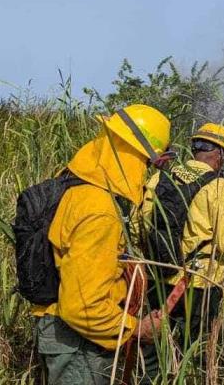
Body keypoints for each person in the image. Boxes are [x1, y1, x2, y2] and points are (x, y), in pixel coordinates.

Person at [32, 104, 170, 385]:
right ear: (140, 158)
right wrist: (135, 329)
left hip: (67, 334)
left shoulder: (78, 187)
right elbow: (83, 306)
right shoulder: (100, 209)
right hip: (79, 341)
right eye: (154, 164)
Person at [136, 123, 224, 380]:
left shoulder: (159, 178)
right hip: (200, 286)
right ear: (220, 154)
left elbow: (139, 226)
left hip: (158, 277)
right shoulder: (219, 187)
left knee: (154, 350)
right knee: (195, 354)